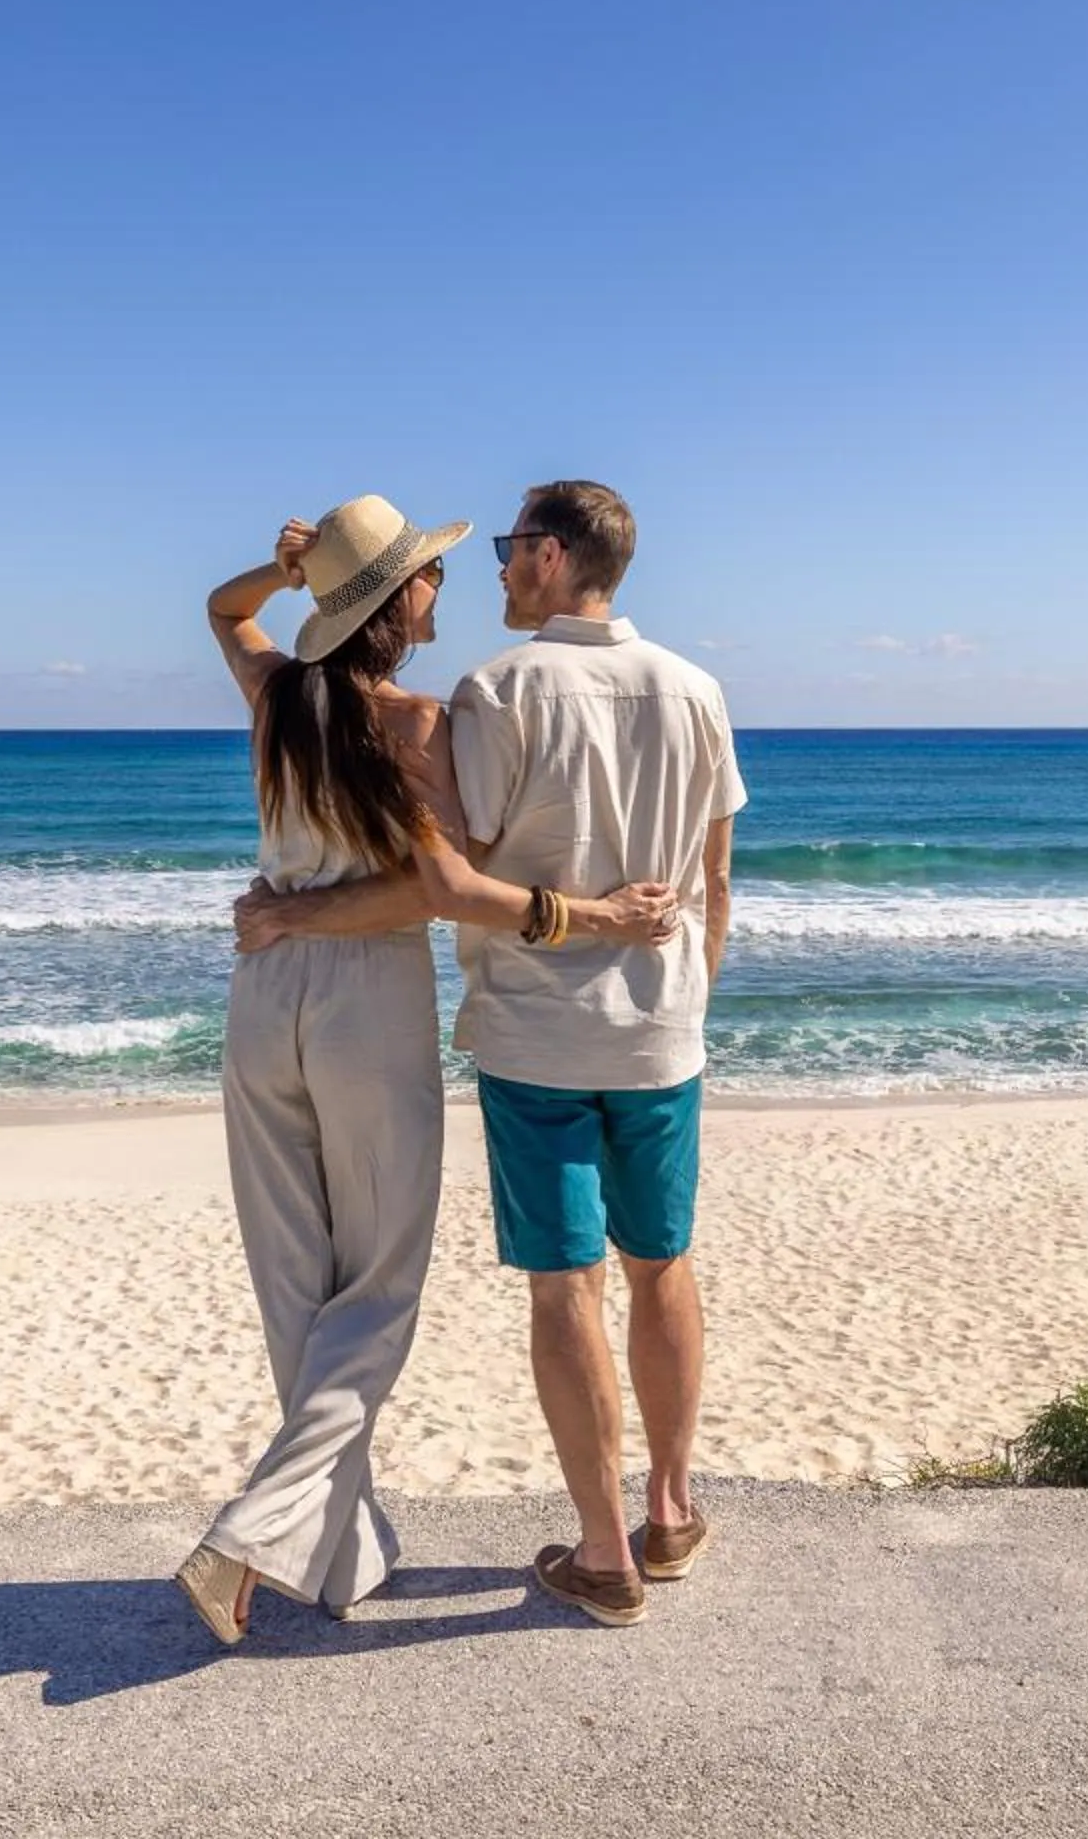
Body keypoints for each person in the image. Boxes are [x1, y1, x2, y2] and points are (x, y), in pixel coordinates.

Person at [238, 479, 742, 1629]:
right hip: (662, 1029)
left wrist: (296, 916)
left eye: (514, 549)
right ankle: (670, 1509)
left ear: (557, 558)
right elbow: (715, 883)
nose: (501, 569)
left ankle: (607, 1551)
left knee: (566, 1280)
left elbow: (447, 880)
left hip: (533, 1034)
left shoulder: (494, 692)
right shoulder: (699, 688)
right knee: (664, 1262)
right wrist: (680, 991)